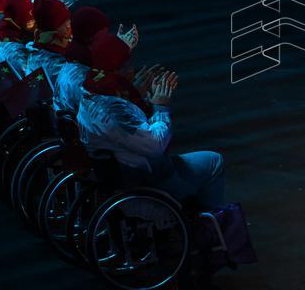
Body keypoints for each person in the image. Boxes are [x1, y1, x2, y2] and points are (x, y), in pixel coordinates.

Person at [77, 32, 225, 208]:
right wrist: (160, 107)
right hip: (146, 180)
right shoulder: (113, 110)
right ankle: (210, 226)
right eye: (128, 64)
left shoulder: (90, 92)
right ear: (116, 69)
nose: (133, 69)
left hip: (127, 169)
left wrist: (138, 97)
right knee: (214, 161)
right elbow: (156, 145)